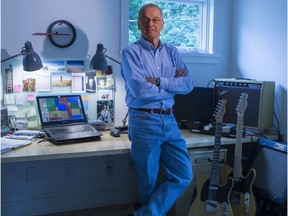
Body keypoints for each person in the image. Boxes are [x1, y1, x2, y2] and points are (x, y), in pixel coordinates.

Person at [121, 4, 194, 216]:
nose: (149, 24)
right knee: (148, 182)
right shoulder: (130, 53)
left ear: (162, 24)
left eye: (154, 20)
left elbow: (188, 85)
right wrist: (172, 86)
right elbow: (140, 90)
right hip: (143, 121)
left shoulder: (172, 52)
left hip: (170, 121)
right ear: (138, 24)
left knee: (183, 175)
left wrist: (160, 81)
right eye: (144, 19)